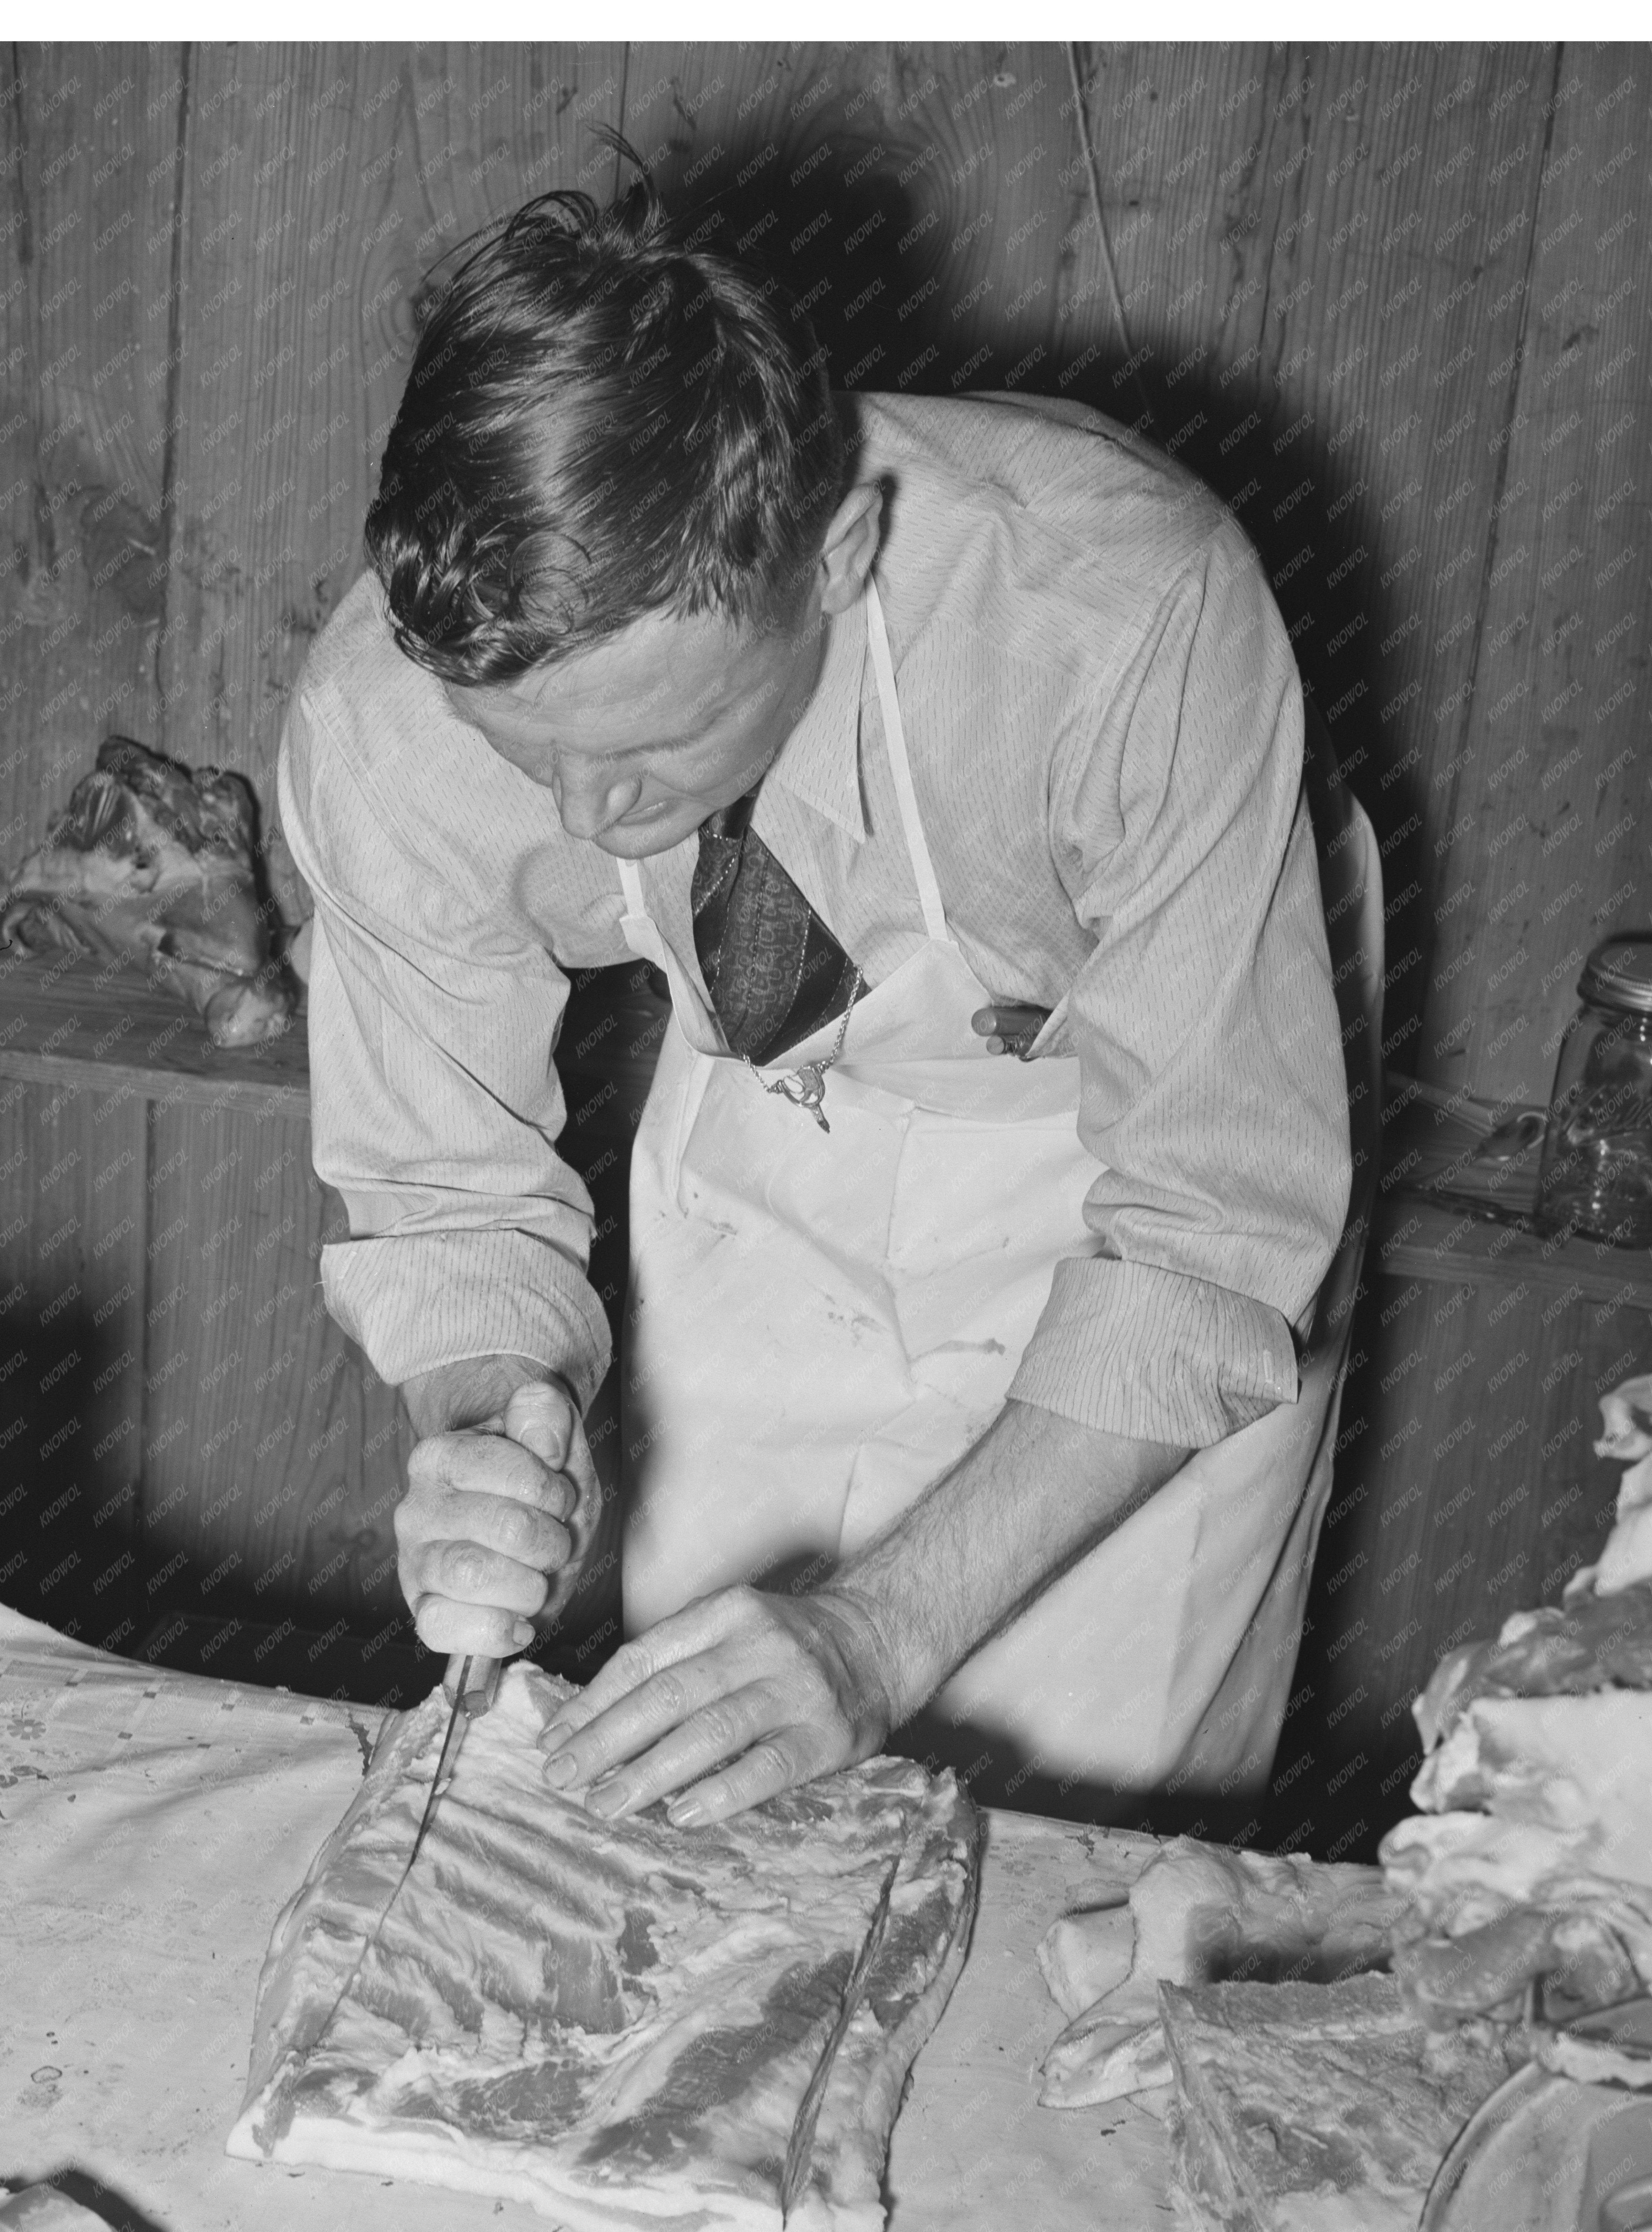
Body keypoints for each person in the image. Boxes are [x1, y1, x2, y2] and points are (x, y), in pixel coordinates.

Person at [277, 169, 1354, 1834]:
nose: (588, 821)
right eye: (528, 753)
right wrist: (497, 1426)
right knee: (704, 1791)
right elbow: (444, 1194)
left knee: (1074, 1843)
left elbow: (1210, 1233)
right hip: (769, 1091)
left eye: (650, 749)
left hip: (1130, 1139)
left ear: (835, 553)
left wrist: (876, 1633)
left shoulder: (1120, 617)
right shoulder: (387, 716)